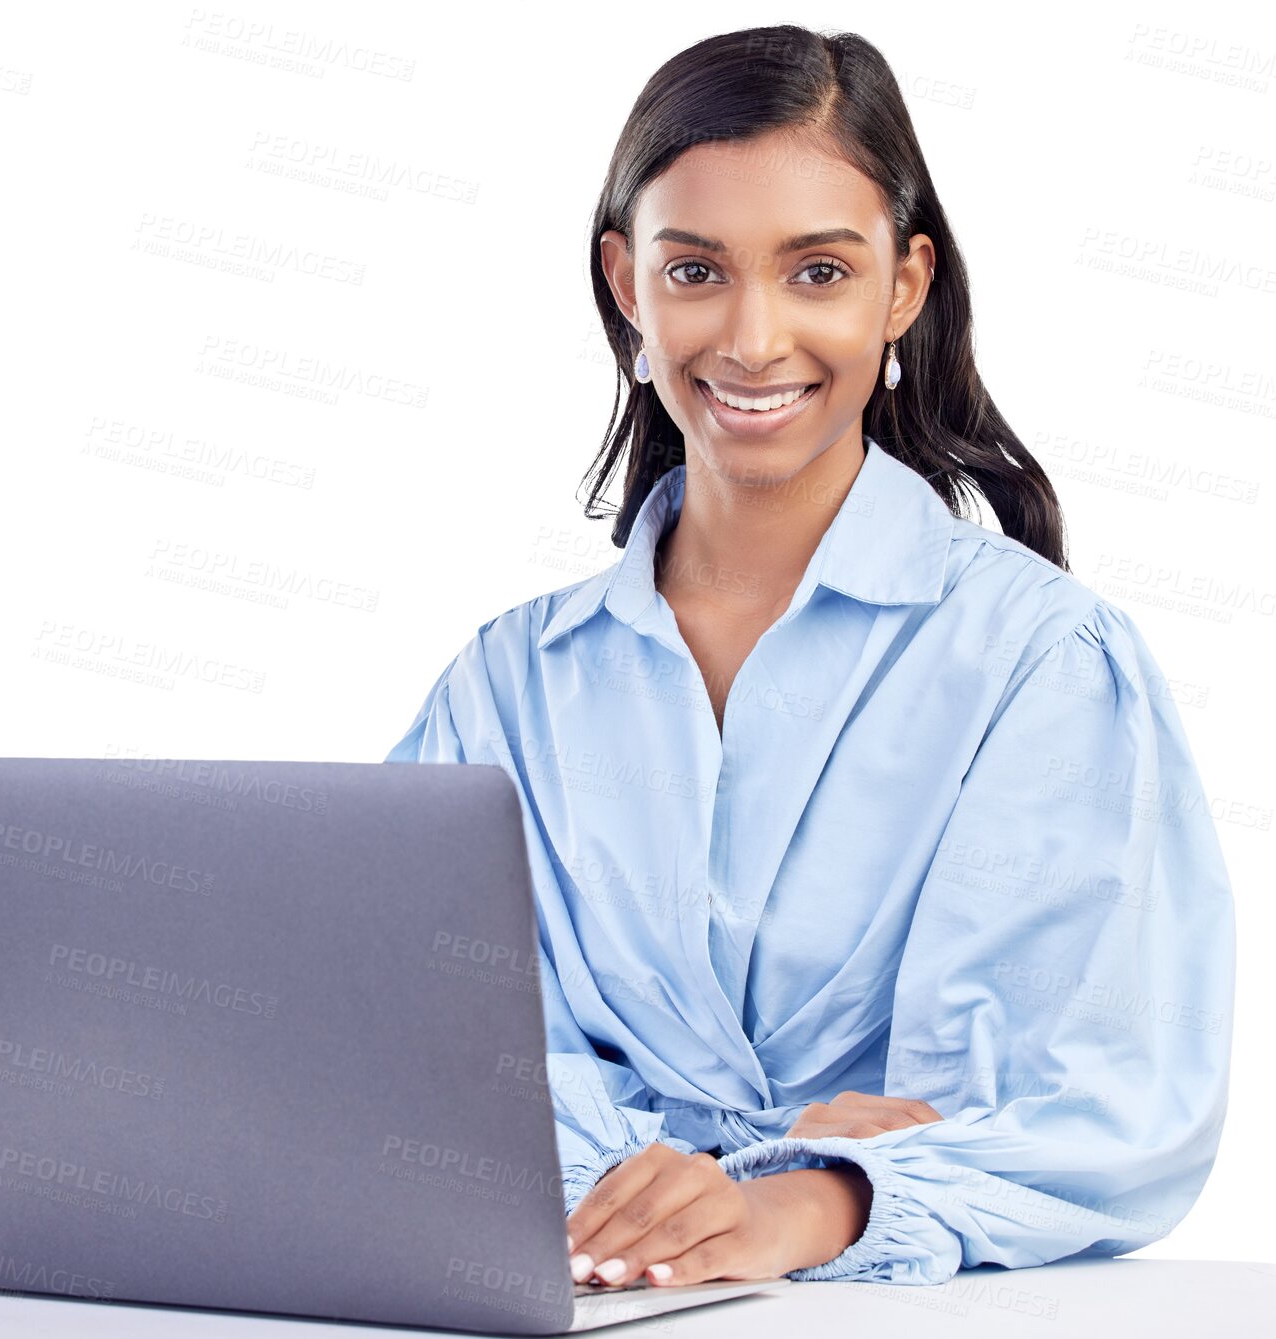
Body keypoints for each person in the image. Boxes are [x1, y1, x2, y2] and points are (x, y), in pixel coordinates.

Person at [384, 24, 1235, 1290]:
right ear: (626, 285)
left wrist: (812, 1202)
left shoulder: (1040, 665)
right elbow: (409, 1055)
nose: (752, 337)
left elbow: (1093, 1111)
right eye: (694, 272)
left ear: (903, 285)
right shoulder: (506, 691)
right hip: (573, 1296)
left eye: (818, 271)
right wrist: (770, 1158)